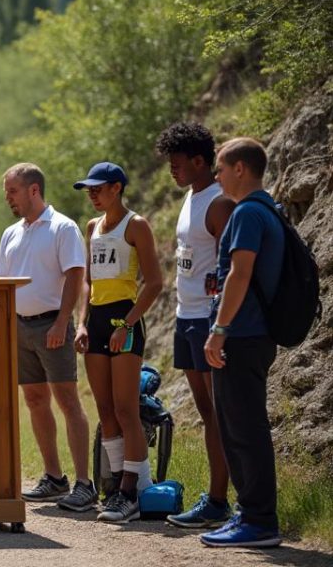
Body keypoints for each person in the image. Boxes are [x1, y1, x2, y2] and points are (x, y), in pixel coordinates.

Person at [0, 163, 95, 511]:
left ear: (33, 190)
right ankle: (54, 477)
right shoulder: (11, 233)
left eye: (12, 191)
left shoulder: (63, 228)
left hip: (53, 325)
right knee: (35, 401)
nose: (8, 197)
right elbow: (1, 283)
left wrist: (62, 322)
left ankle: (84, 484)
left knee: (68, 401)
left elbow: (76, 275)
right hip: (19, 328)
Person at [200, 138, 284, 548]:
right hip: (253, 334)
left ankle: (258, 520)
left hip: (243, 334)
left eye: (219, 168)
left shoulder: (248, 213)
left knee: (243, 429)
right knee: (241, 426)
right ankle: (250, 513)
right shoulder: (268, 207)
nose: (215, 176)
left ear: (239, 169)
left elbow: (239, 274)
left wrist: (220, 329)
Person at [72, 161, 162, 524]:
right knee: (105, 408)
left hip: (124, 320)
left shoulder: (136, 225)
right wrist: (80, 324)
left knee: (127, 409)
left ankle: (131, 490)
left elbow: (154, 282)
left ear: (117, 188)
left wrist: (127, 323)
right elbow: (88, 282)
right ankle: (116, 488)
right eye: (88, 189)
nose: (92, 194)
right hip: (94, 321)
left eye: (98, 188)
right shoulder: (92, 227)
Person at [155, 123, 234, 528]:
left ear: (201, 162)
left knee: (219, 413)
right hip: (185, 315)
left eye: (178, 164)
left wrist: (218, 317)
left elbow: (230, 265)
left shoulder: (219, 202)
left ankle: (220, 500)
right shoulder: (191, 196)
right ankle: (217, 499)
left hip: (207, 316)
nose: (173, 170)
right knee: (206, 411)